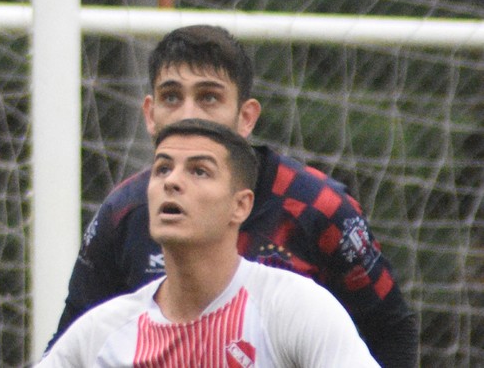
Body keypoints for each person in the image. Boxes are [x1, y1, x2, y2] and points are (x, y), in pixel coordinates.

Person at [53, 24, 417, 366]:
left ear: (246, 116)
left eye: (209, 97)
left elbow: (390, 331)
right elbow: (74, 337)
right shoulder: (124, 212)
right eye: (171, 97)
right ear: (150, 113)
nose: (188, 114)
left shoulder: (317, 210)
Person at [40, 118, 381, 366]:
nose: (172, 182)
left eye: (199, 171)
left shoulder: (293, 309)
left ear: (241, 205)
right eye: (162, 169)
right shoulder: (104, 334)